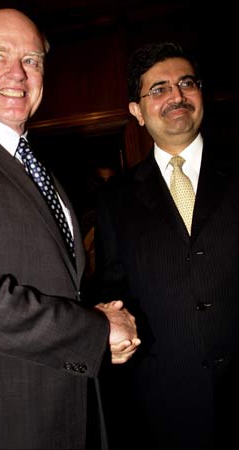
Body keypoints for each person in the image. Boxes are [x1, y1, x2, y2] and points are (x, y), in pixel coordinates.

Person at [0, 8, 141, 450]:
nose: (17, 73)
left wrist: (99, 319)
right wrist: (94, 329)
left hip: (68, 414)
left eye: (32, 60)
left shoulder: (42, 170)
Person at [94, 41, 239, 450]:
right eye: (159, 88)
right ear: (137, 112)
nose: (176, 95)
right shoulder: (115, 198)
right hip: (163, 410)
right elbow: (112, 287)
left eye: (186, 83)